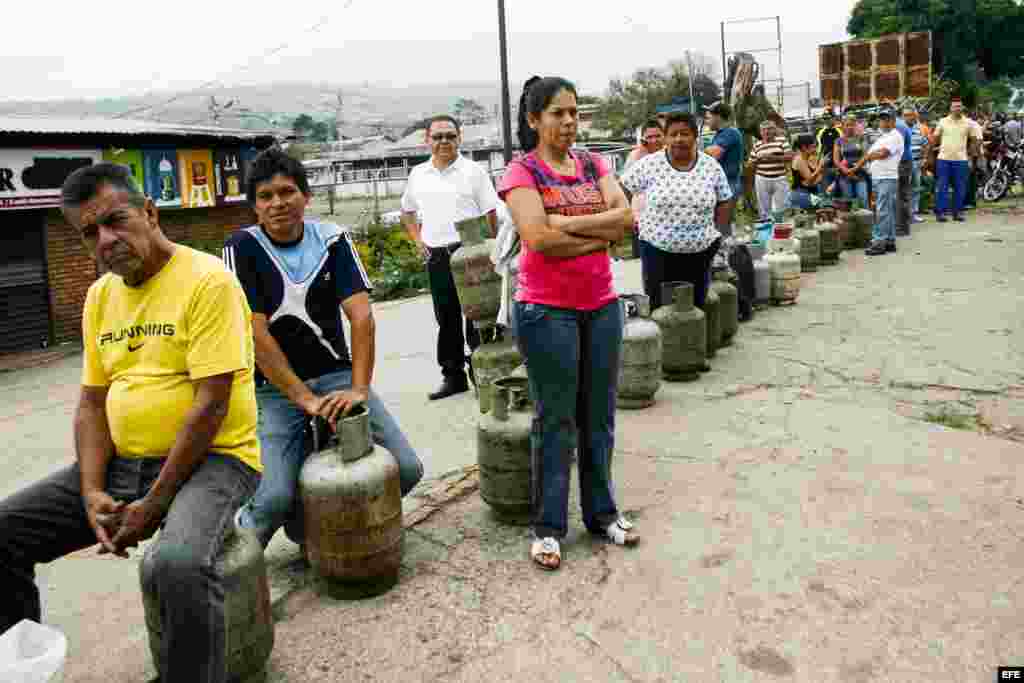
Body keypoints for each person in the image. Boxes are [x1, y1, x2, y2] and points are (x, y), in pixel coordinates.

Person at [0, 163, 261, 682]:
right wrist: (93, 490)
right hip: (124, 464)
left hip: (218, 460)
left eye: (115, 220)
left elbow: (211, 405)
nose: (106, 239)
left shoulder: (208, 281)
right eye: (89, 233)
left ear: (149, 211)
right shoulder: (100, 296)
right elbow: (92, 404)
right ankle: (19, 668)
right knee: (3, 531)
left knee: (177, 564)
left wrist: (155, 503)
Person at [227, 149, 422, 549]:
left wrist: (359, 390)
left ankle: (330, 530)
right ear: (254, 206)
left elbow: (361, 317)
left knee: (405, 469)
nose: (278, 203)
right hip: (275, 389)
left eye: (287, 192)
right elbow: (253, 332)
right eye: (266, 196)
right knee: (272, 500)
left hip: (337, 377)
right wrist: (302, 398)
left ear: (305, 196)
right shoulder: (241, 247)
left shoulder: (332, 239)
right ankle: (225, 570)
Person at [498, 75, 638, 571]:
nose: (569, 122)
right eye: (558, 113)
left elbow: (627, 218)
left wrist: (569, 226)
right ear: (534, 120)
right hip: (545, 311)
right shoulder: (521, 172)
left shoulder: (596, 163)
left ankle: (602, 514)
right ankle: (549, 527)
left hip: (600, 305)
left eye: (574, 112)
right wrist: (599, 234)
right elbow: (536, 238)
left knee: (598, 416)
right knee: (556, 419)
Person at [400, 115, 499, 400]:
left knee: (478, 317)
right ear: (427, 139)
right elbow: (407, 211)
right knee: (447, 318)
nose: (444, 141)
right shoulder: (418, 174)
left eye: (450, 136)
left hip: (469, 253)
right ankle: (453, 377)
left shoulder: (473, 171)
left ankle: (484, 374)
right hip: (437, 255)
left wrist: (494, 245)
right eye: (438, 136)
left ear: (460, 138)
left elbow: (491, 211)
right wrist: (418, 240)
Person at [621, 111, 731, 311]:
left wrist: (718, 234)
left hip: (700, 251)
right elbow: (624, 188)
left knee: (695, 305)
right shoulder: (650, 163)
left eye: (685, 133)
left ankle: (693, 341)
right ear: (666, 137)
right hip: (656, 249)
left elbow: (724, 199)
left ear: (695, 136)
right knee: (659, 305)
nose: (679, 139)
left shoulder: (710, 166)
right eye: (673, 134)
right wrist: (625, 219)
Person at [852, 110, 904, 256]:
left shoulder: (895, 136)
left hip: (886, 177)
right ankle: (889, 240)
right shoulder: (884, 136)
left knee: (882, 210)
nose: (884, 122)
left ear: (894, 121)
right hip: (880, 177)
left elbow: (883, 154)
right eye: (882, 120)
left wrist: (869, 156)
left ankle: (879, 242)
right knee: (886, 210)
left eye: (887, 119)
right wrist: (870, 156)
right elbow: (876, 153)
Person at [932, 98, 982, 222]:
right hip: (943, 159)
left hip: (961, 160)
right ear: (951, 108)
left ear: (962, 108)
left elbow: (975, 140)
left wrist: (971, 156)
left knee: (960, 187)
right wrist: (929, 155)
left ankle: (958, 212)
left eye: (959, 106)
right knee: (942, 186)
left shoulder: (968, 123)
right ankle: (941, 213)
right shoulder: (942, 121)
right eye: (955, 106)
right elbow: (935, 139)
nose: (957, 109)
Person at [624, 118, 666, 258]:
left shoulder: (672, 154)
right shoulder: (635, 156)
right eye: (649, 137)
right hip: (641, 220)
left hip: (667, 220)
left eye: (657, 136)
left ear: (664, 136)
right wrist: (641, 153)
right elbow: (628, 185)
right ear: (643, 139)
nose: (654, 140)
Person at [704, 101, 744, 237]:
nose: (706, 120)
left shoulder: (730, 132)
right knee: (719, 223)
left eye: (708, 117)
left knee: (721, 224)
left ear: (718, 117)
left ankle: (726, 252)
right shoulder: (720, 134)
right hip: (723, 184)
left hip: (728, 184)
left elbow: (713, 154)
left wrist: (703, 150)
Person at [751, 120, 792, 221]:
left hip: (779, 177)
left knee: (781, 207)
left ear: (774, 130)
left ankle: (781, 227)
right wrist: (757, 160)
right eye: (763, 130)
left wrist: (772, 157)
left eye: (769, 129)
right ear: (760, 132)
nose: (766, 132)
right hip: (761, 178)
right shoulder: (757, 145)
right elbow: (750, 164)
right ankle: (766, 229)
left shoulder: (782, 140)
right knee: (764, 208)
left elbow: (790, 156)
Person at [834, 114, 870, 207]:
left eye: (852, 124)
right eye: (847, 125)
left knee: (863, 198)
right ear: (843, 126)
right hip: (844, 174)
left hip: (860, 173)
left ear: (855, 125)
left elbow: (865, 156)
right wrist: (846, 171)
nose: (850, 127)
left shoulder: (862, 138)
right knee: (848, 200)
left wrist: (855, 169)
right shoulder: (839, 141)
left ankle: (865, 220)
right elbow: (836, 160)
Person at [904, 107, 929, 223]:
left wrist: (924, 158)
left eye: (910, 115)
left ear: (915, 116)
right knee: (903, 190)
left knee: (915, 189)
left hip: (916, 162)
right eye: (906, 115)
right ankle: (903, 215)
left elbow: (925, 144)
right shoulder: (899, 130)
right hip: (903, 165)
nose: (908, 117)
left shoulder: (919, 129)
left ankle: (913, 214)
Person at [790, 134, 824, 209]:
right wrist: (820, 167)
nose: (815, 149)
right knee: (821, 207)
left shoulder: (810, 158)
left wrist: (819, 170)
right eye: (813, 147)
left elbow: (817, 180)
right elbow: (810, 179)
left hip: (812, 191)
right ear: (804, 147)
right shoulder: (798, 160)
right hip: (801, 193)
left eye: (816, 147)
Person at [894, 109, 915, 235]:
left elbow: (897, 147)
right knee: (903, 195)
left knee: (900, 196)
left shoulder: (898, 126)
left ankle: (901, 228)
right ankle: (903, 227)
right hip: (904, 162)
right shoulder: (902, 125)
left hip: (901, 163)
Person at [816, 111, 843, 195]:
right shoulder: (820, 132)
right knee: (827, 191)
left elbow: (842, 148)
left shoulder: (839, 131)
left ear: (834, 118)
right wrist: (818, 165)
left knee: (839, 191)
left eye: (828, 118)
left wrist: (841, 164)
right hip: (825, 167)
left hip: (838, 167)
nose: (826, 120)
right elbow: (819, 149)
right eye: (825, 119)